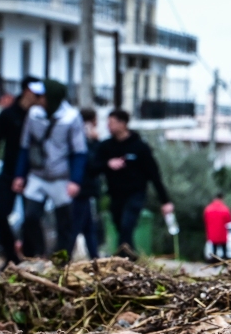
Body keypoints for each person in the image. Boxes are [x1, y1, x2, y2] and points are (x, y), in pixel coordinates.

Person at [12, 79, 87, 258]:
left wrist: (75, 180)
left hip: (60, 177)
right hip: (37, 175)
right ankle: (40, 252)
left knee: (64, 222)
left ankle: (61, 259)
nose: (37, 98)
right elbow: (25, 147)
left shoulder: (71, 117)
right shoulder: (33, 114)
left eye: (41, 95)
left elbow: (79, 152)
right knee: (30, 217)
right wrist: (19, 175)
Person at [93, 109, 174, 259]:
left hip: (135, 194)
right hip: (115, 195)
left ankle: (121, 259)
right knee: (121, 228)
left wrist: (165, 201)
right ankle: (131, 258)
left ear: (123, 124)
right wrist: (108, 164)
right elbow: (93, 167)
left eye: (112, 122)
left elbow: (154, 174)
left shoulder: (139, 147)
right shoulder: (106, 147)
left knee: (126, 225)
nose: (108, 126)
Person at [0, 77, 43, 266]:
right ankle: (10, 257)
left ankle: (29, 256)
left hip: (33, 175)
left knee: (32, 218)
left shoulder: (40, 116)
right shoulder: (8, 115)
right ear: (26, 91)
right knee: (1, 214)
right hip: (9, 172)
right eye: (36, 93)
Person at [62, 107, 102, 260]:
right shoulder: (81, 140)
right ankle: (64, 259)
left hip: (84, 189)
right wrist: (95, 142)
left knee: (88, 227)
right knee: (76, 226)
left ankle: (95, 257)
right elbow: (92, 162)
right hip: (81, 189)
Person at [204, 192, 231, 261]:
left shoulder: (208, 208)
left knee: (214, 248)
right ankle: (224, 262)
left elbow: (205, 220)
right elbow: (229, 220)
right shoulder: (225, 209)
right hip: (222, 233)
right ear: (222, 198)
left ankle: (214, 262)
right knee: (224, 249)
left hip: (212, 233)